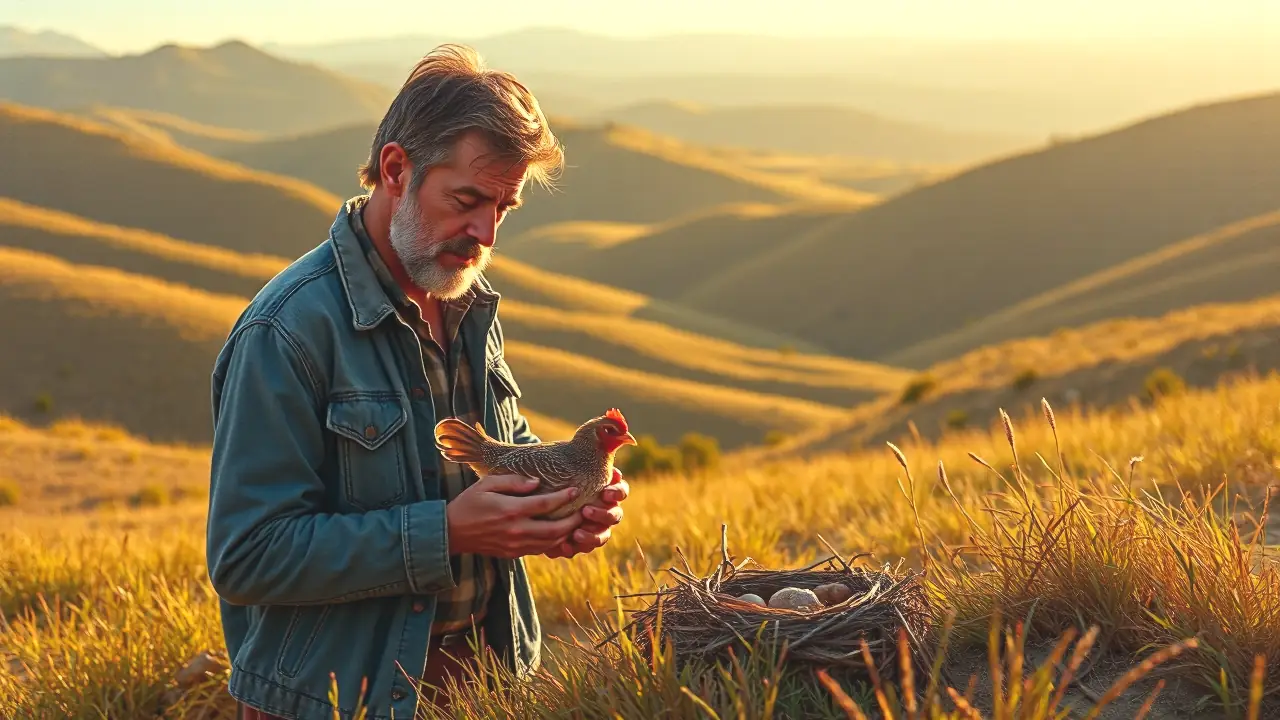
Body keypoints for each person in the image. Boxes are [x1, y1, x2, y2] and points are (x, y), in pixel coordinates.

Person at [205, 44, 629, 720]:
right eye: (467, 200)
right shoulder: (286, 330)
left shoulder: (467, 300)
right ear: (397, 170)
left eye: (505, 207)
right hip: (337, 700)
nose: (486, 232)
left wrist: (564, 504)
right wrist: (447, 532)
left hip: (486, 684)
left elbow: (501, 449)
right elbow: (248, 557)